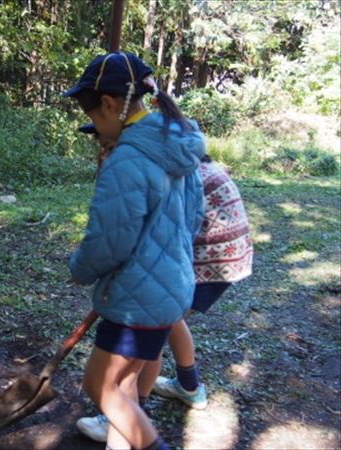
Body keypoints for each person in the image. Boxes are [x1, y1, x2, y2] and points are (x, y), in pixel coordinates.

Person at [62, 51, 206, 450]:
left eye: (92, 115)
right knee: (124, 388)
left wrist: (80, 269)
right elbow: (194, 218)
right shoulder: (179, 143)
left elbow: (109, 241)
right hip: (172, 287)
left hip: (135, 299)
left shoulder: (127, 159)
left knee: (101, 386)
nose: (95, 126)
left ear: (109, 103)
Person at [76, 151, 254, 443]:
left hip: (208, 261)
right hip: (228, 258)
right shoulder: (192, 164)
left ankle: (128, 413)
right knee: (166, 322)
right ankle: (187, 386)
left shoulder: (180, 174)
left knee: (154, 325)